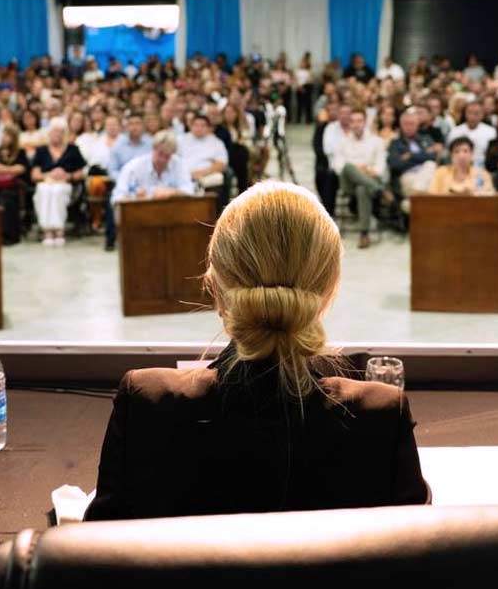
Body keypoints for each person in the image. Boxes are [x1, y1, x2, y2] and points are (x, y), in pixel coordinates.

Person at [86, 181, 429, 521]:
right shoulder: (381, 418)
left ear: (216, 287)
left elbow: (96, 557)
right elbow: (414, 562)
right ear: (327, 291)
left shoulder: (147, 404)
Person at [333, 109, 390, 249]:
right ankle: (380, 191)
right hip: (348, 181)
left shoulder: (376, 141)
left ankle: (364, 234)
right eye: (353, 121)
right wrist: (357, 169)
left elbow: (380, 167)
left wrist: (369, 170)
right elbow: (337, 166)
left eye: (359, 121)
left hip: (368, 179)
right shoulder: (342, 142)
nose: (356, 124)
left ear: (365, 122)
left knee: (362, 188)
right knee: (348, 167)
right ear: (349, 123)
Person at [31, 117, 86, 246]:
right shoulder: (41, 150)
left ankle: (59, 229)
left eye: (60, 131)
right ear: (49, 133)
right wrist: (49, 175)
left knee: (57, 191)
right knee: (44, 191)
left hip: (65, 184)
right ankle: (47, 230)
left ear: (65, 133)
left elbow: (81, 172)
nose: (57, 134)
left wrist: (67, 175)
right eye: (54, 131)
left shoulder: (73, 149)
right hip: (46, 182)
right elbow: (34, 174)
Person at [102, 114, 153, 251]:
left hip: (147, 183)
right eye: (131, 124)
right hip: (123, 184)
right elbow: (112, 170)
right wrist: (126, 182)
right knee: (111, 200)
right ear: (126, 127)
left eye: (138, 123)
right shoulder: (118, 146)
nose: (134, 127)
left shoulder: (151, 144)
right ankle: (111, 239)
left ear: (143, 126)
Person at [109, 130, 194, 203]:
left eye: (167, 156)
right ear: (153, 148)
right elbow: (117, 198)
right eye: (160, 154)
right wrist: (134, 198)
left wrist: (173, 192)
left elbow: (190, 191)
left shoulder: (179, 164)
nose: (163, 160)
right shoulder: (133, 167)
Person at [0, 125, 28, 244]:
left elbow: (21, 169)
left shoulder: (20, 153)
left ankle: (8, 235)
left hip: (12, 186)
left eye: (8, 135)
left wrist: (2, 169)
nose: (5, 138)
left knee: (6, 197)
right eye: (4, 134)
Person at [178, 114, 230, 210]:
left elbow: (221, 164)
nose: (199, 128)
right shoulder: (181, 140)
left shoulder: (216, 142)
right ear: (191, 126)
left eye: (203, 125)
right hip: (183, 176)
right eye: (196, 125)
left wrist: (202, 173)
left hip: (207, 177)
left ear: (208, 128)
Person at [387, 108, 440, 201]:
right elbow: (395, 164)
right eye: (406, 124)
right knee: (429, 168)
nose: (409, 127)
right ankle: (417, 197)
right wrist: (424, 154)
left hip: (428, 175)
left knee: (430, 165)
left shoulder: (426, 139)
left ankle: (412, 200)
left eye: (412, 124)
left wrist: (411, 156)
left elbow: (434, 157)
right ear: (401, 125)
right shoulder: (395, 143)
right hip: (408, 175)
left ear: (417, 125)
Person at [428, 137, 494, 196]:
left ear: (472, 154)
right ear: (451, 155)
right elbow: (432, 196)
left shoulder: (481, 174)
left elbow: (488, 197)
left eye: (465, 151)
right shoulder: (441, 172)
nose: (461, 156)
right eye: (456, 151)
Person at [447, 101, 496, 167]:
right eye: (469, 113)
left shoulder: (491, 132)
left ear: (482, 115)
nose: (472, 116)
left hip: (483, 166)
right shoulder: (455, 131)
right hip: (459, 165)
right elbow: (450, 153)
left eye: (476, 113)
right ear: (465, 114)